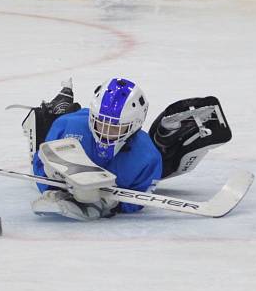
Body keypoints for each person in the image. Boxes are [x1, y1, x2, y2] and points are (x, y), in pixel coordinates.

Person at [24, 78, 233, 221]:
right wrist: (53, 191)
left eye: (116, 127)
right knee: (47, 123)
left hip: (128, 162)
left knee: (168, 159)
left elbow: (140, 197)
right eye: (99, 123)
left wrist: (113, 205)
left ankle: (171, 134)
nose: (105, 133)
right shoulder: (67, 126)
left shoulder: (148, 157)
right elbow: (40, 162)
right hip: (68, 124)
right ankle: (58, 106)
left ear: (134, 125)